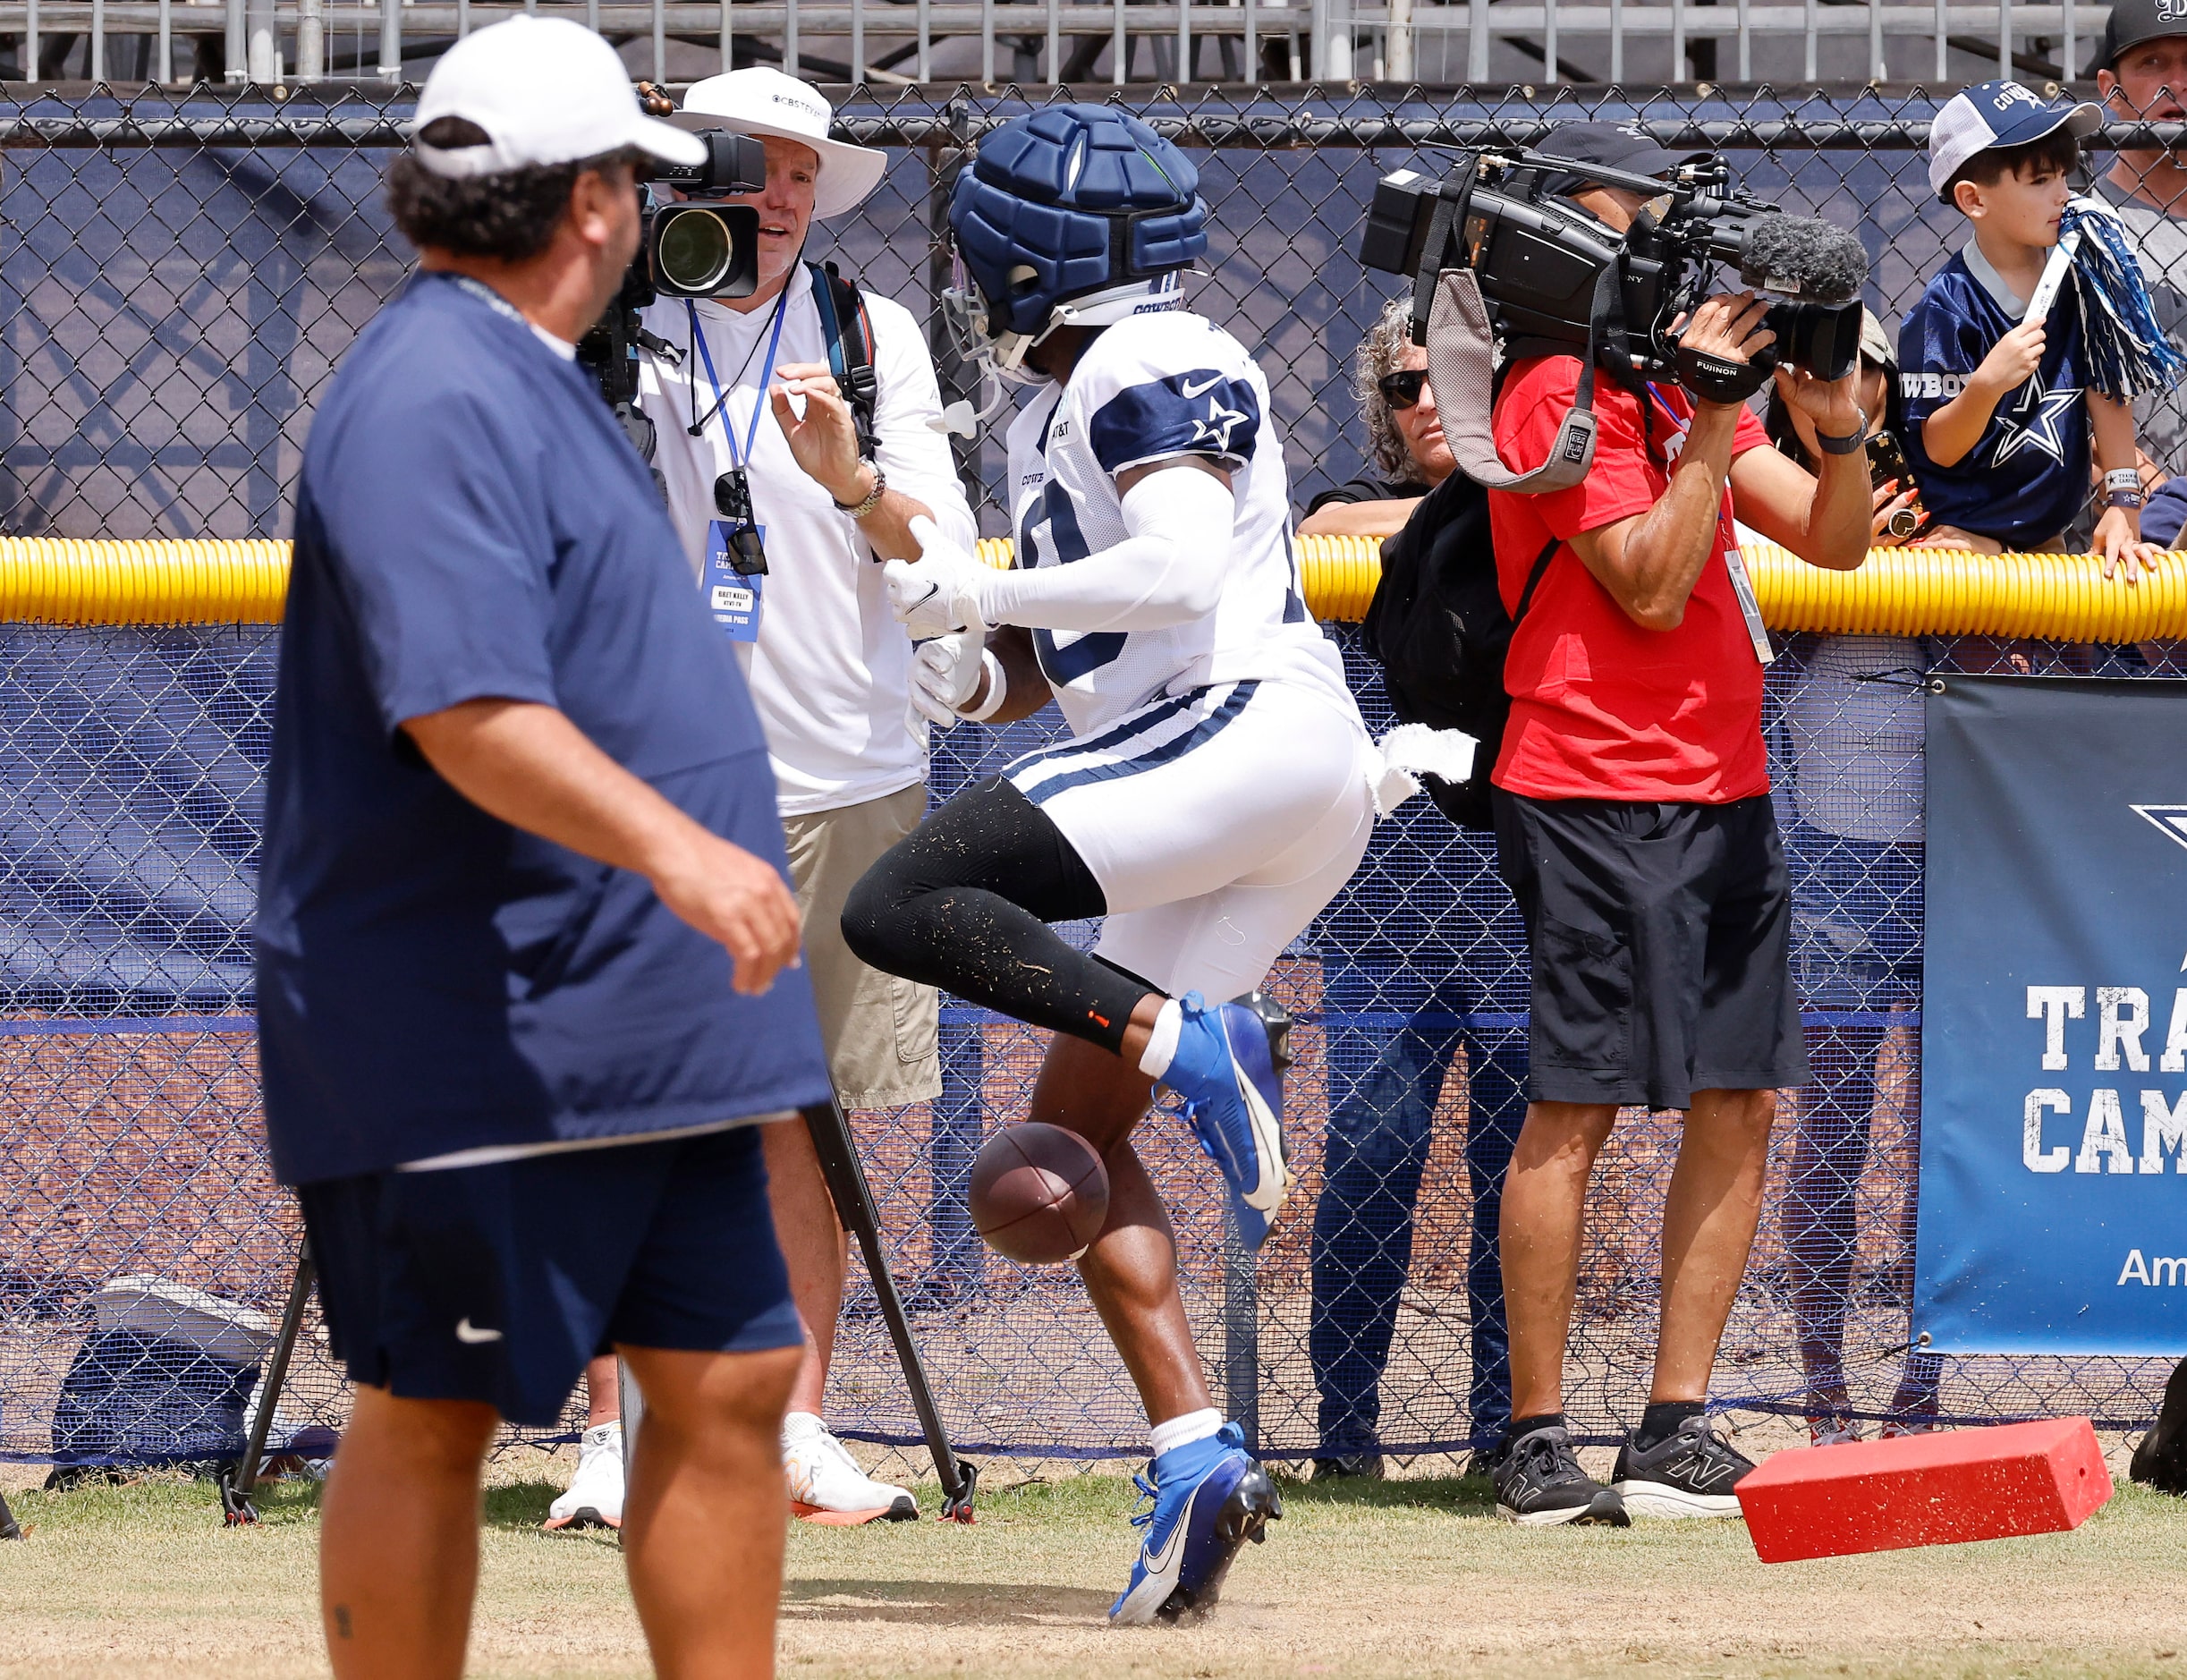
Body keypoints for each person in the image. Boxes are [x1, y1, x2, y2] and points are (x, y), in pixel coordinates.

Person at [252, 19, 831, 1678]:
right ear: (589, 204)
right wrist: (685, 854)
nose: (651, 218)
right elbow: (466, 708)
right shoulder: (432, 386)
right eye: (636, 187)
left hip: (650, 1030)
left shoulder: (525, 371)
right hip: (489, 1026)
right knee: (432, 1405)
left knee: (726, 1382)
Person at [839, 105, 1380, 1622]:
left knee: (902, 904)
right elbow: (1068, 652)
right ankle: (1198, 1445)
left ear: (1029, 258)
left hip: (1243, 733)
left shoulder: (1149, 355)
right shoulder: (1070, 393)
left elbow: (1181, 566)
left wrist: (978, 577)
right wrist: (972, 663)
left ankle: (1196, 1036)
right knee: (1074, 1131)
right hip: (1228, 769)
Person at [547, 66, 979, 1535]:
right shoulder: (625, 314)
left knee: (813, 1122)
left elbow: (942, 553)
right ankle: (611, 1438)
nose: (779, 194)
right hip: (655, 784)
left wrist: (851, 477)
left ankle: (796, 1430)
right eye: (749, 164)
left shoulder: (873, 330)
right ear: (684, 176)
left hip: (850, 774)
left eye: (801, 169)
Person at [1482, 146, 1874, 1527]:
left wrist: (1832, 423)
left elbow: (1834, 548)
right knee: (1578, 1104)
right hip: (1585, 776)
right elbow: (1647, 585)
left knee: (1741, 1096)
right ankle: (1535, 1441)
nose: (1663, 249)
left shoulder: (1669, 384)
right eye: (1631, 217)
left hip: (1721, 779)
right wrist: (1712, 421)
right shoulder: (1546, 388)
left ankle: (1673, 1425)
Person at [1300, 294, 1530, 1479]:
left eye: (1458, 377)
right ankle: (1346, 1437)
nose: (1430, 402)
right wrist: (1504, 491)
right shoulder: (1342, 512)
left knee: (1519, 1171)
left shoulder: (1541, 502)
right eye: (1406, 385)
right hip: (1385, 910)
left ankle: (1508, 1435)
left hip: (1521, 895)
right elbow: (1349, 522)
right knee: (1371, 1154)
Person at [1756, 309, 1952, 1445]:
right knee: (1831, 1124)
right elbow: (1753, 644)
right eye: (1818, 368)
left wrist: (1944, 558)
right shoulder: (1765, 487)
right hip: (1827, 848)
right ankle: (1822, 1385)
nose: (1841, 385)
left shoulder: (1945, 480)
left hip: (1964, 845)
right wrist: (1835, 555)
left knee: (1948, 1129)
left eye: (1862, 367)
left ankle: (1919, 1389)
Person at [1903, 80, 2163, 573]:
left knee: (2070, 651)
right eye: (2041, 181)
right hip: (1962, 551)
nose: (2064, 195)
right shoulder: (1946, 306)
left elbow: (2107, 393)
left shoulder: (2082, 281)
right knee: (1992, 656)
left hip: (2050, 542)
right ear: (1973, 199)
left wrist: (2124, 506)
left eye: (2066, 175)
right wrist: (1985, 386)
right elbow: (1938, 446)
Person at [2094, 0, 2187, 475]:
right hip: (2120, 538)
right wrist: (2120, 472)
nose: (2179, 81)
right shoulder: (2073, 224)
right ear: (2111, 91)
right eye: (2152, 63)